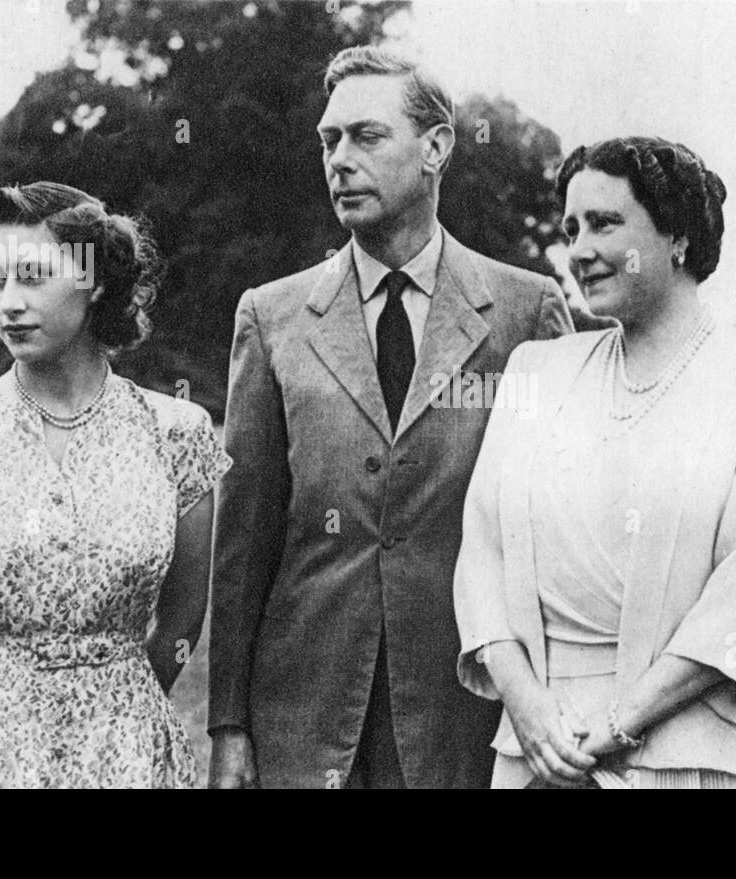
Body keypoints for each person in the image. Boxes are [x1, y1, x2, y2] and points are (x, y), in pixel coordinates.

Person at [207, 47, 580, 789]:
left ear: (437, 147)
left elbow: (564, 526)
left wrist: (551, 706)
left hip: (466, 709)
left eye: (366, 137)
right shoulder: (272, 316)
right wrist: (229, 725)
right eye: (329, 141)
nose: (340, 160)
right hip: (305, 715)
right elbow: (242, 537)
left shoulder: (524, 311)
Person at [453, 136, 736, 788]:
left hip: (689, 754)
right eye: (570, 228)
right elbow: (481, 551)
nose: (579, 249)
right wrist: (530, 708)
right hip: (540, 754)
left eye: (605, 223)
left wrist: (620, 723)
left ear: (677, 234)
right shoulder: (538, 371)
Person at [0, 181, 230, 788]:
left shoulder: (177, 434)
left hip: (127, 757)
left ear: (94, 283)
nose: (8, 301)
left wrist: (120, 708)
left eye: (33, 276)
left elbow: (182, 619)